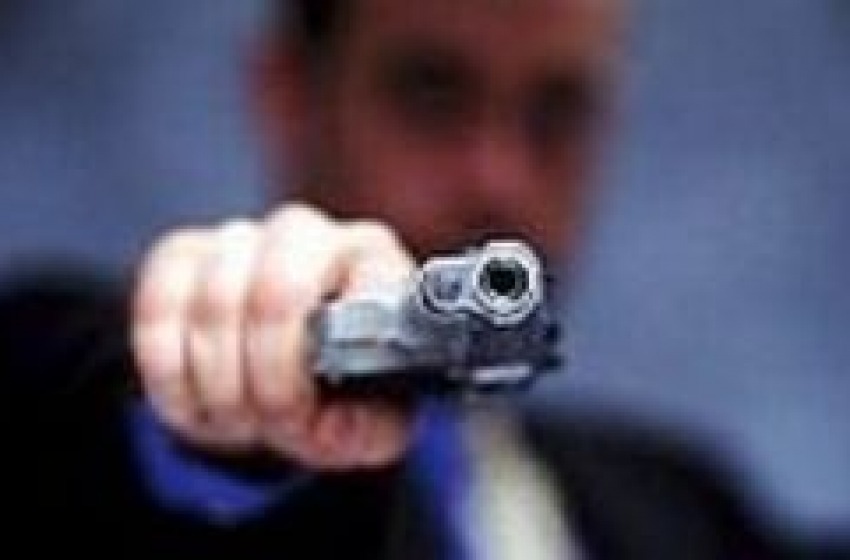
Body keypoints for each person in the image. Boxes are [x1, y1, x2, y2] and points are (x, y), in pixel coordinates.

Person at [0, 0, 838, 558]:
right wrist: (217, 407)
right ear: (289, 93)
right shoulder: (68, 401)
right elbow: (86, 419)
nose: (498, 179)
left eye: (557, 110)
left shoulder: (681, 507)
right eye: (432, 94)